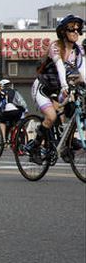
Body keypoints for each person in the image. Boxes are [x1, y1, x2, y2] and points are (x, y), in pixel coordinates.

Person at [31, 14, 85, 164]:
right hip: (43, 87)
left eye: (78, 29)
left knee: (74, 109)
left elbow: (83, 70)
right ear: (63, 32)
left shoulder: (78, 50)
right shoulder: (56, 46)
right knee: (51, 117)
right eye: (71, 29)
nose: (75, 32)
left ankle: (67, 142)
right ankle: (35, 147)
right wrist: (64, 86)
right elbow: (60, 68)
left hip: (60, 89)